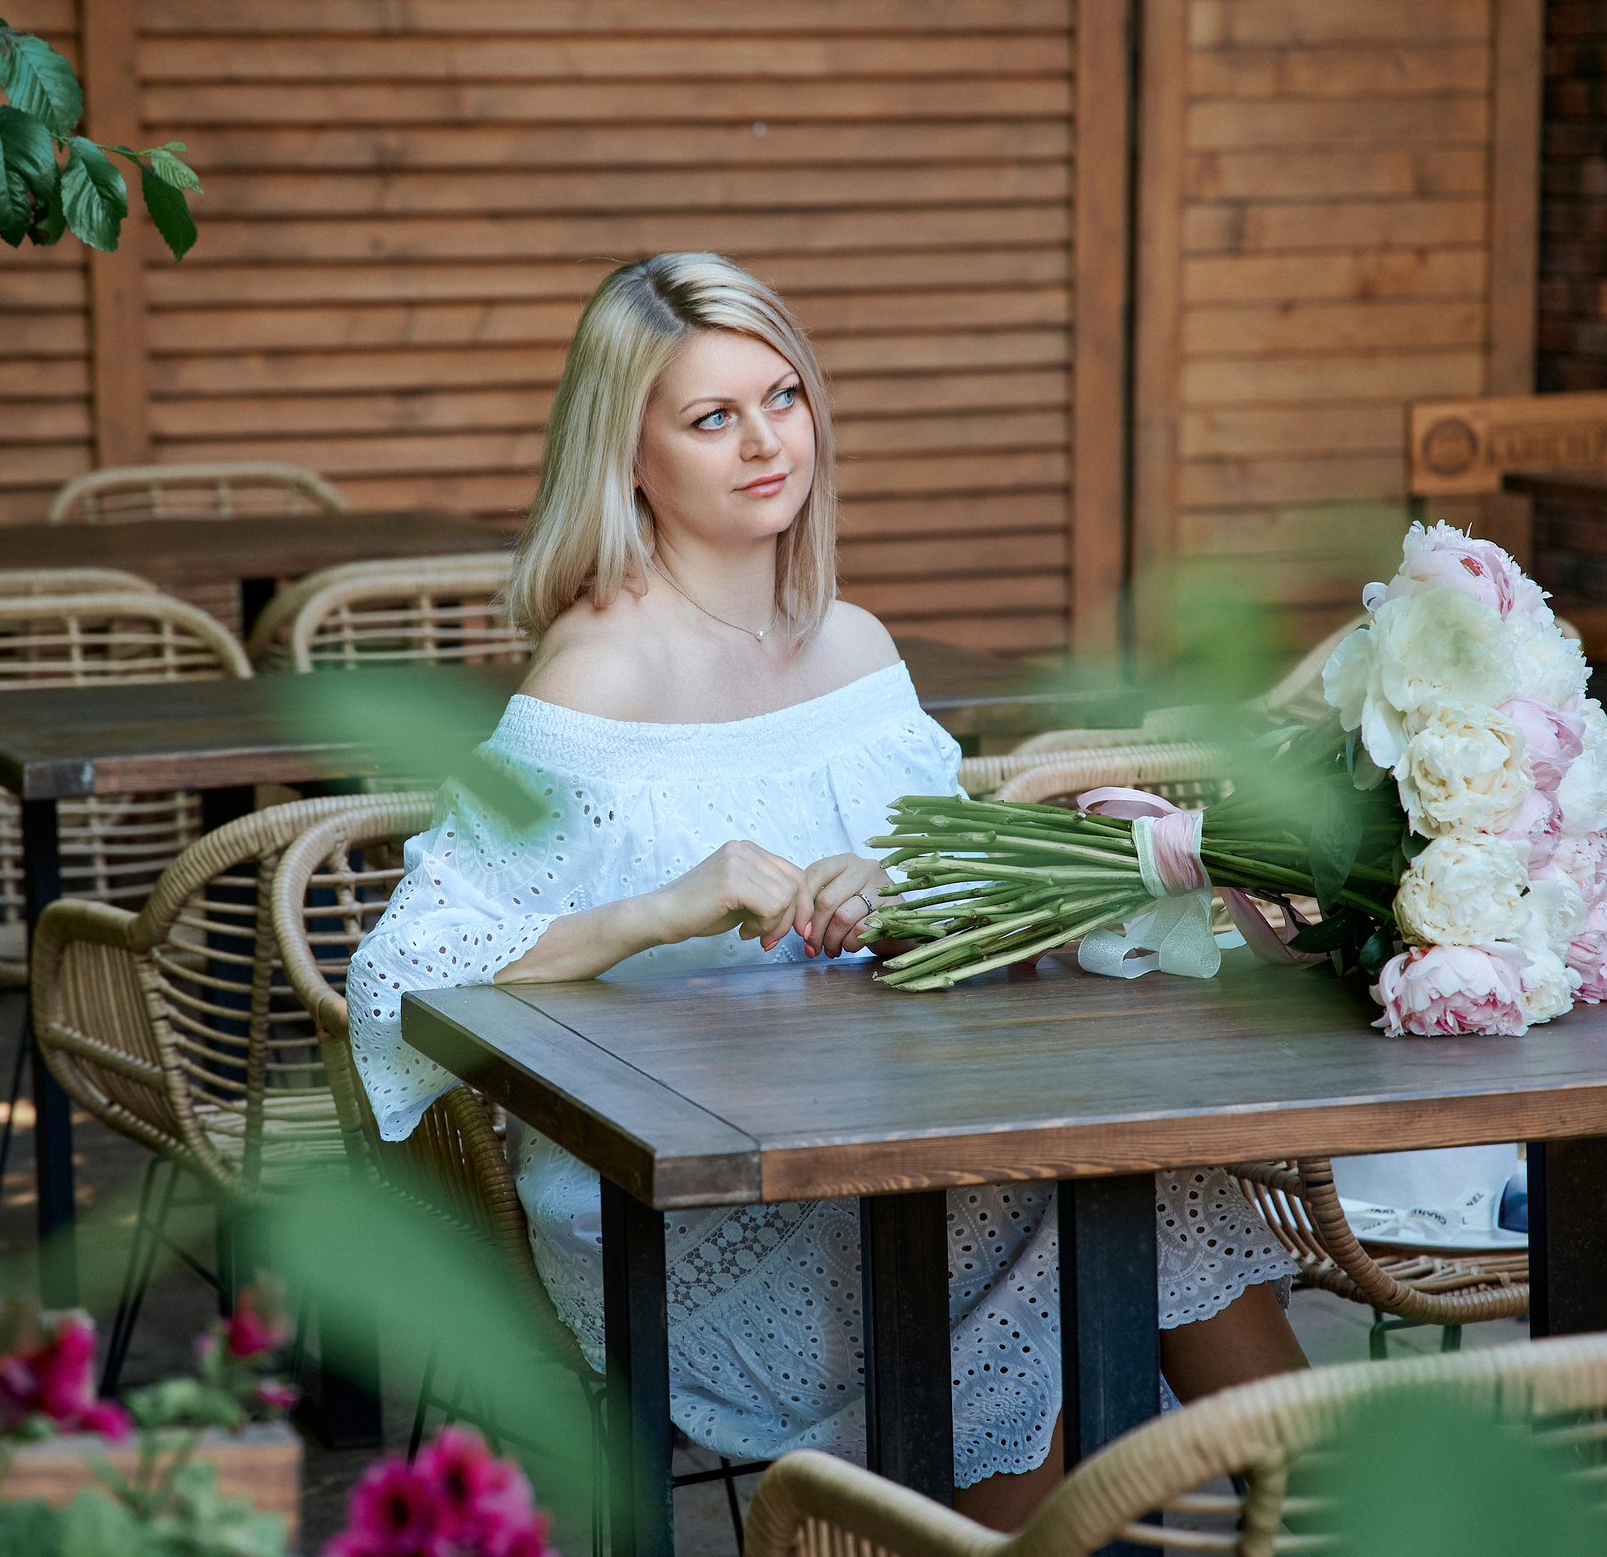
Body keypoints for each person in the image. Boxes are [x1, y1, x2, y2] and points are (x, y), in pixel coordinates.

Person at [344, 252, 1304, 1530]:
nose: (764, 442)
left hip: (887, 1132)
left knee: (1137, 1189)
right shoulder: (599, 677)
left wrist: (897, 887)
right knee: (1094, 1207)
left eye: (782, 398)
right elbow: (402, 974)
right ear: (628, 455)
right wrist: (659, 907)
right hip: (682, 1201)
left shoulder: (852, 646)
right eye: (711, 416)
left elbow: (951, 906)